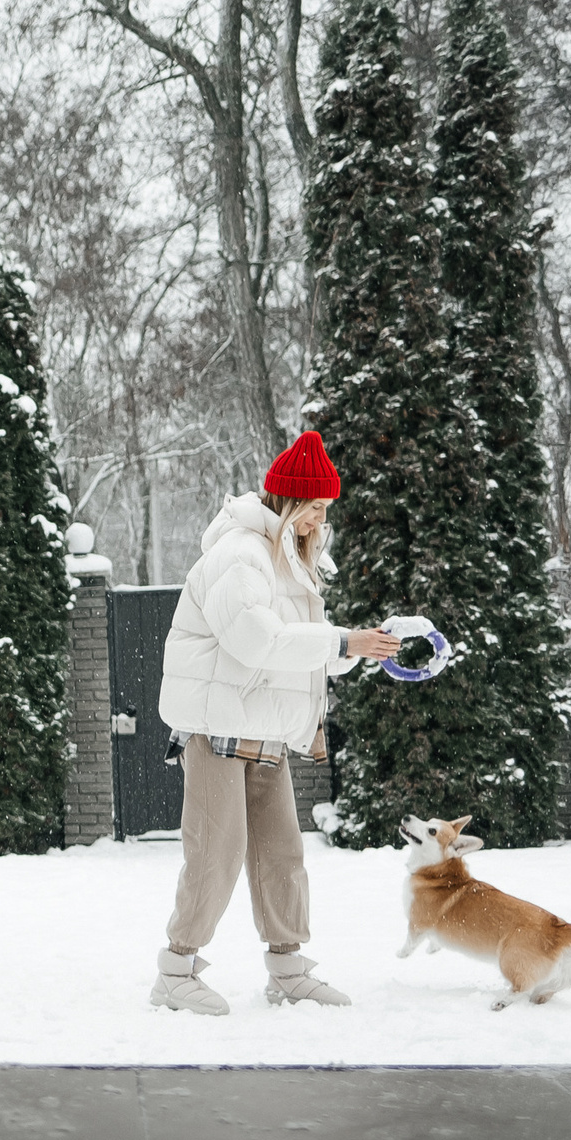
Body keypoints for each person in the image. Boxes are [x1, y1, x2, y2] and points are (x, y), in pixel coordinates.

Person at [149, 430, 400, 1015]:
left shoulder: (291, 561)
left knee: (282, 856)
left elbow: (296, 656)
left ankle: (288, 970)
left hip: (265, 731)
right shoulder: (240, 554)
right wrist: (344, 641)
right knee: (217, 852)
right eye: (313, 507)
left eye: (325, 510)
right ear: (287, 502)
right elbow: (258, 641)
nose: (319, 520)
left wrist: (359, 648)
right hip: (218, 730)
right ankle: (175, 970)